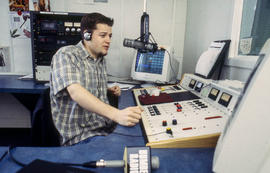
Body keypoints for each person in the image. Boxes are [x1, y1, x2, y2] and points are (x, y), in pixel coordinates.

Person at [50, 12, 143, 146]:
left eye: (110, 36)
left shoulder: (100, 59)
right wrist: (116, 114)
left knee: (139, 138)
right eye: (103, 35)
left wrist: (107, 90)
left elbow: (86, 84)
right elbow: (76, 92)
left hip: (104, 128)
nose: (108, 40)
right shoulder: (67, 54)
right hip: (82, 137)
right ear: (87, 35)